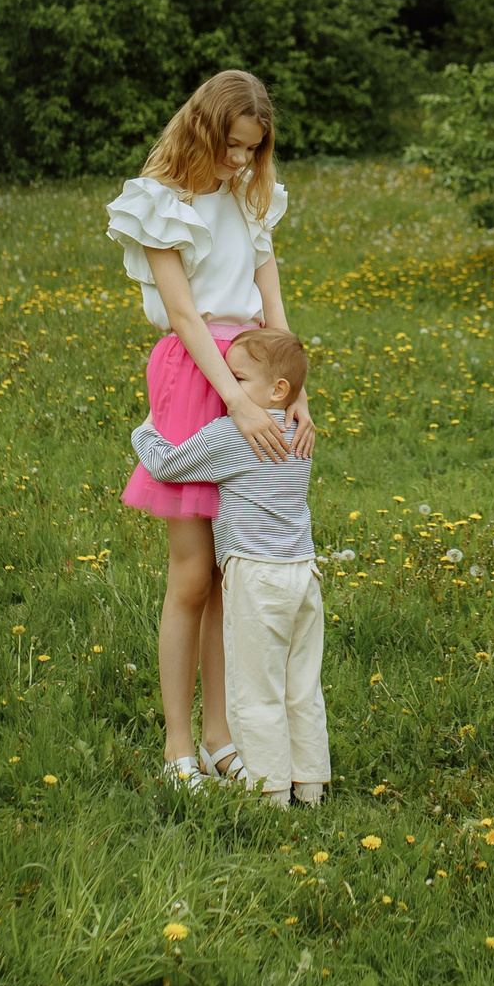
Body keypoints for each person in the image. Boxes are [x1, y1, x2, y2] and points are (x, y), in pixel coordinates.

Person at [104, 71, 315, 791]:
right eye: (230, 146)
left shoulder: (252, 197)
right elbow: (188, 316)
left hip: (257, 372)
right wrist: (235, 401)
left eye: (251, 150)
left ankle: (224, 733)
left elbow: (273, 303)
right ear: (202, 130)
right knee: (193, 573)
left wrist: (296, 396)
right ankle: (178, 746)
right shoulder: (160, 203)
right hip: (198, 375)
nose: (239, 162)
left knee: (234, 572)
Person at [130, 327, 328, 804]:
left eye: (237, 379)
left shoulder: (235, 433)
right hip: (303, 573)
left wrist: (147, 426)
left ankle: (271, 790)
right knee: (300, 685)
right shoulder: (300, 433)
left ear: (277, 389)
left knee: (256, 687)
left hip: (256, 578)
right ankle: (312, 781)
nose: (227, 392)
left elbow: (166, 465)